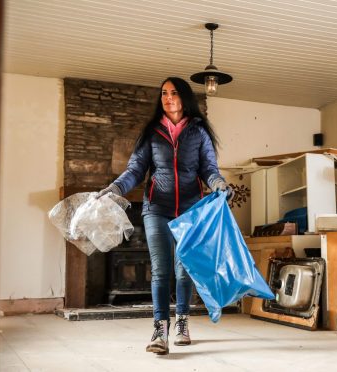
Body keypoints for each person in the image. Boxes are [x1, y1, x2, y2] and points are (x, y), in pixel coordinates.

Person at [98, 77, 233, 355]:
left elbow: (209, 169)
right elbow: (135, 169)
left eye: (173, 93)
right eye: (163, 93)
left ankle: (182, 322)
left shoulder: (198, 133)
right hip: (156, 207)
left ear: (184, 98)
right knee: (161, 269)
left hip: (190, 210)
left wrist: (219, 185)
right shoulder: (152, 133)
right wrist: (114, 189)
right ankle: (160, 329)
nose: (168, 98)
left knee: (184, 270)